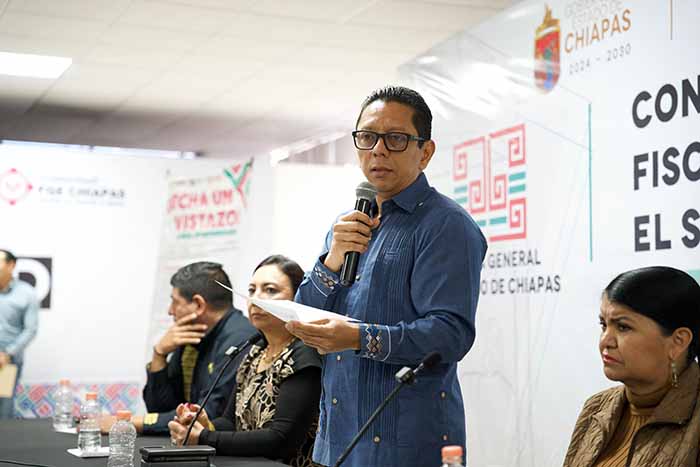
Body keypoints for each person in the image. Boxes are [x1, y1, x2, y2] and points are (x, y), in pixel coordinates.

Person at [288, 86, 487, 467]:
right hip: (338, 439)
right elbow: (304, 316)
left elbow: (450, 335)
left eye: (395, 139)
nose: (378, 150)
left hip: (406, 445)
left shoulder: (446, 225)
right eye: (367, 137)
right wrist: (332, 261)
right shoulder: (346, 225)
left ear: (425, 152)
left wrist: (357, 338)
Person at [168, 255, 322, 467]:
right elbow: (230, 422)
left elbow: (280, 440)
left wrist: (203, 437)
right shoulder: (255, 351)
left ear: (298, 299)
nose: (255, 299)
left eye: (270, 290)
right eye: (251, 290)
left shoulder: (305, 354)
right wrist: (204, 424)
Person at [563, 266, 700, 467]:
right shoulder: (596, 407)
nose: (605, 341)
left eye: (623, 327)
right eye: (604, 325)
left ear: (678, 341)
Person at [101, 261, 255, 435]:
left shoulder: (241, 339)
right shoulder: (192, 335)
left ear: (198, 305)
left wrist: (130, 422)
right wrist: (159, 354)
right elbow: (160, 408)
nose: (170, 311)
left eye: (175, 302)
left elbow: (208, 415)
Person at [0, 249, 39, 419]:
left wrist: (7, 353)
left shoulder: (26, 293)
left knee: (3, 411)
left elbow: (30, 329)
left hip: (6, 362)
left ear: (11, 265)